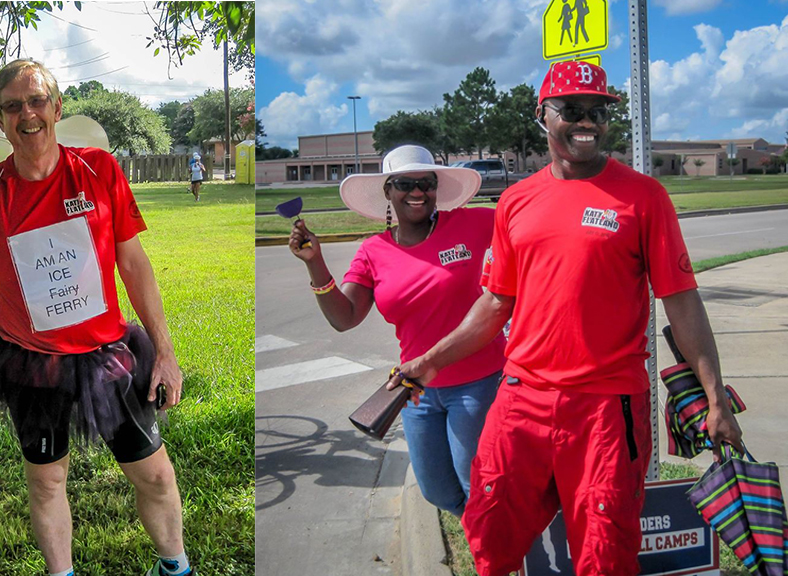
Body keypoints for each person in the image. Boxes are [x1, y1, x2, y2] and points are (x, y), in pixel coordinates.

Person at [396, 61, 742, 575]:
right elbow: (495, 304)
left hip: (605, 406)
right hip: (521, 399)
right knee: (489, 528)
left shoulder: (644, 198)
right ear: (543, 115)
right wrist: (430, 360)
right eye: (572, 110)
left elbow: (681, 299)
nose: (588, 122)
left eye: (597, 112)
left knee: (604, 551)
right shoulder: (515, 201)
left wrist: (716, 397)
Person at [0, 59, 194, 576]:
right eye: (12, 106)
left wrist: (165, 349)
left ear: (57, 107)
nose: (27, 113)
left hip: (107, 353)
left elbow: (133, 263)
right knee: (47, 480)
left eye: (37, 100)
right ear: (0, 120)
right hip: (29, 361)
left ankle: (175, 567)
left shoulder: (98, 169)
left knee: (156, 475)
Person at [288, 145, 506, 517]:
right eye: (405, 183)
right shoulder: (374, 250)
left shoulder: (473, 224)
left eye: (426, 183)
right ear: (388, 192)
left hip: (479, 383)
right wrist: (316, 263)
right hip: (417, 391)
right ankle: (488, 543)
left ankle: (497, 558)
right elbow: (346, 317)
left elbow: (525, 228)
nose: (417, 191)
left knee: (479, 489)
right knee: (438, 491)